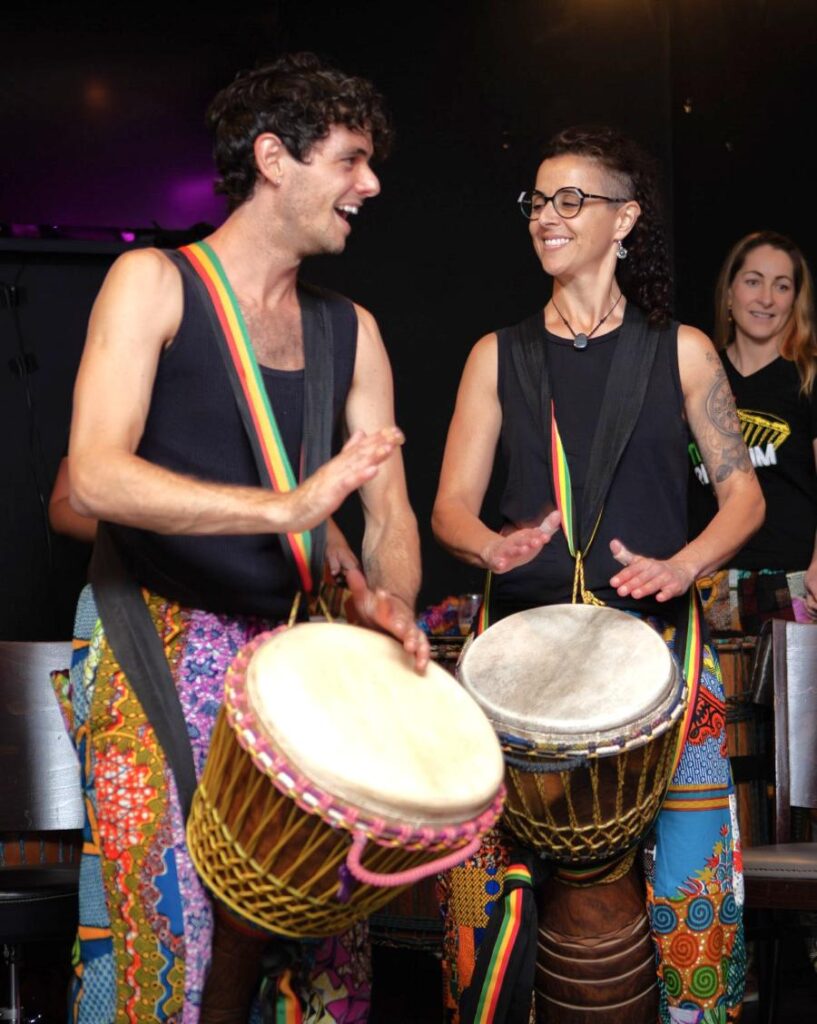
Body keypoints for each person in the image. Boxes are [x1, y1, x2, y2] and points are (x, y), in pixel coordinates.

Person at [59, 52, 428, 1023]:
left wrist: (383, 608)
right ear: (274, 157)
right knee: (174, 935)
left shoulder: (353, 331)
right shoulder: (153, 282)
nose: (370, 185)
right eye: (350, 160)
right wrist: (282, 508)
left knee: (323, 932)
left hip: (291, 657)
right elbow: (92, 473)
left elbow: (387, 515)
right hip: (153, 637)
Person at [432, 125, 763, 1024]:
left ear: (624, 220)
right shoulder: (495, 356)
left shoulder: (683, 350)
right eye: (538, 200)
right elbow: (450, 506)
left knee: (691, 869)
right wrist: (487, 545)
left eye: (570, 200)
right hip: (518, 662)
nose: (547, 217)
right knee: (481, 891)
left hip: (659, 651)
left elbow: (742, 500)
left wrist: (684, 563)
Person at [690, 230, 817, 633]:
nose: (766, 298)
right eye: (753, 281)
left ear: (795, 301)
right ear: (729, 294)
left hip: (793, 584)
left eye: (782, 286)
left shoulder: (808, 378)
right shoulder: (695, 378)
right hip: (702, 583)